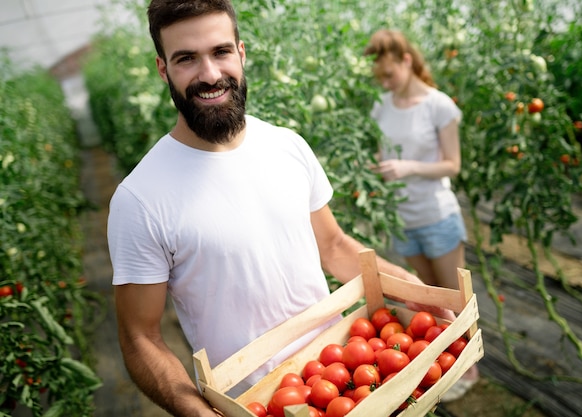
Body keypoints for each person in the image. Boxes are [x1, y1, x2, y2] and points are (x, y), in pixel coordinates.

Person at [107, 2, 449, 416]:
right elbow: (140, 336)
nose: (210, 74)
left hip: (342, 377)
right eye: (186, 59)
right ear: (163, 69)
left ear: (241, 52)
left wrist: (413, 289)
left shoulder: (287, 145)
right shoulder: (140, 199)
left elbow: (335, 246)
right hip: (251, 403)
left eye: (220, 52)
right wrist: (192, 408)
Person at [363, 29, 479, 401]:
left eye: (389, 75)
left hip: (437, 216)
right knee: (430, 301)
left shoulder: (439, 105)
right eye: (379, 77)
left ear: (407, 61)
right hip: (403, 220)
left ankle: (470, 366)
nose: (385, 82)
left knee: (453, 297)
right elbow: (385, 157)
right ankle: (445, 363)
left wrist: (408, 167)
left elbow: (453, 164)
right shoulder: (381, 106)